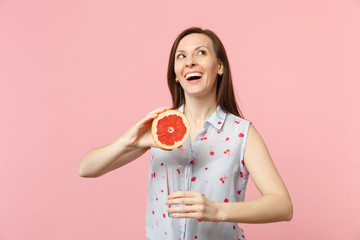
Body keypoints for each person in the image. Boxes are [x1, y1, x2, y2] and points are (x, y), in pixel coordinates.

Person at [79, 27, 293, 240]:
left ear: (219, 66)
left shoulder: (241, 132)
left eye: (201, 53)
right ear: (176, 75)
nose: (190, 61)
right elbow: (86, 169)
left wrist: (217, 211)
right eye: (181, 56)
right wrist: (129, 141)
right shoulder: (160, 128)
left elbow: (283, 205)